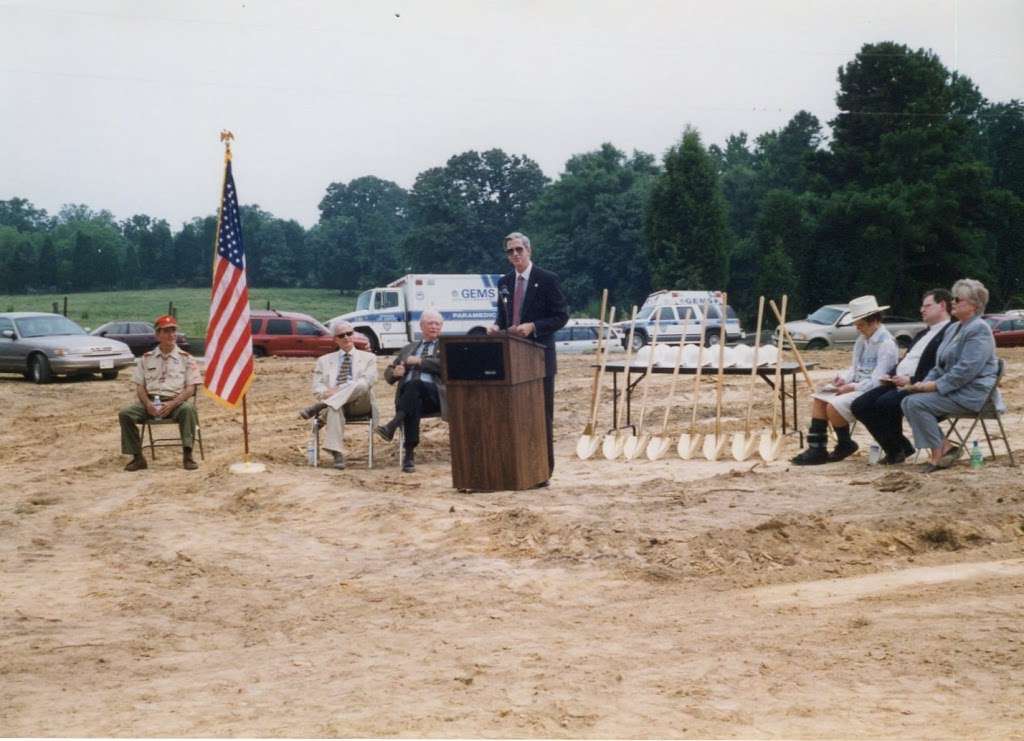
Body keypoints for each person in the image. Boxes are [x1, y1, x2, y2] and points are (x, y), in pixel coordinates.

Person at [487, 231, 568, 483]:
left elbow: (561, 316)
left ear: (529, 251)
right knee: (512, 415)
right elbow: (504, 317)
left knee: (540, 417)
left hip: (538, 358)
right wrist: (495, 328)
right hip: (511, 358)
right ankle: (516, 467)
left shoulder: (547, 279)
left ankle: (543, 471)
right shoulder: (503, 282)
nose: (515, 255)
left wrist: (533, 327)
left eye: (519, 250)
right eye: (510, 251)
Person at [902, 278, 1004, 473]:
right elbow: (940, 365)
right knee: (908, 400)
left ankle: (939, 452)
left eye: (959, 300)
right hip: (955, 389)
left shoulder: (979, 329)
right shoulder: (954, 328)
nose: (953, 302)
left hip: (973, 394)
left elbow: (966, 370)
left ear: (974, 306)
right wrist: (925, 381)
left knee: (916, 403)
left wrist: (934, 386)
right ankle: (944, 447)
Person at [791, 295, 899, 466]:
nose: (858, 329)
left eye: (861, 325)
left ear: (873, 321)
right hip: (857, 385)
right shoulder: (862, 340)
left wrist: (852, 386)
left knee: (833, 406)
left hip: (870, 390)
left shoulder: (886, 344)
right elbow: (855, 368)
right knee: (819, 397)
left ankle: (844, 443)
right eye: (856, 325)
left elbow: (878, 380)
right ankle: (817, 448)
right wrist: (842, 379)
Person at [850, 289, 952, 464]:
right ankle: (897, 448)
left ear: (942, 306)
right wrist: (890, 375)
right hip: (898, 381)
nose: (922, 310)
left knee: (885, 403)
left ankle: (898, 450)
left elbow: (938, 366)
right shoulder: (923, 333)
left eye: (927, 306)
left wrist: (912, 381)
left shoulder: (949, 333)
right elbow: (906, 359)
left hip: (921, 385)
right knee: (860, 405)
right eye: (922, 306)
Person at [118, 315, 202, 471]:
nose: (171, 335)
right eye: (166, 331)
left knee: (189, 409)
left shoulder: (186, 359)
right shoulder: (146, 358)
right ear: (157, 335)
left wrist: (173, 403)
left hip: (176, 402)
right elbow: (140, 386)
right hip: (150, 402)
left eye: (173, 331)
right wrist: (147, 404)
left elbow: (191, 388)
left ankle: (188, 455)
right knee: (125, 414)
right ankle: (138, 458)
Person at [299, 319, 377, 470]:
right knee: (335, 408)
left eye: (349, 333)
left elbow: (370, 380)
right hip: (338, 406)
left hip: (361, 403)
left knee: (361, 384)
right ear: (335, 339)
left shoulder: (369, 358)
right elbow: (317, 387)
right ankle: (337, 452)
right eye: (342, 335)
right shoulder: (324, 361)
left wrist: (339, 391)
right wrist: (326, 392)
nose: (347, 337)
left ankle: (321, 407)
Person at [376, 309, 447, 473]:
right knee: (412, 399)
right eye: (430, 323)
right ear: (421, 326)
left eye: (438, 324)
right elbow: (388, 373)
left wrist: (421, 362)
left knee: (415, 385)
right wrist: (395, 373)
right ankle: (409, 455)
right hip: (411, 398)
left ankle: (393, 424)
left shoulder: (445, 345)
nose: (434, 327)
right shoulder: (408, 348)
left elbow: (448, 367)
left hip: (435, 396)